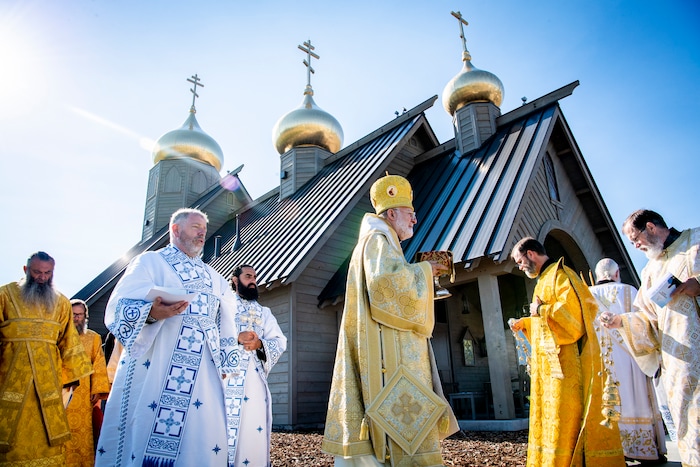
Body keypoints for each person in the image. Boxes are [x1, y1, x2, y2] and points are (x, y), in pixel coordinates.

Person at [322, 174, 459, 466]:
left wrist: (423, 276)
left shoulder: (382, 241)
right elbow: (385, 286)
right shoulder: (378, 239)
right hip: (387, 361)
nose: (415, 220)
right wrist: (424, 270)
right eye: (410, 214)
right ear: (392, 213)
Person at [95, 208, 240, 467]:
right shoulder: (150, 262)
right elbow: (118, 306)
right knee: (147, 432)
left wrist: (226, 361)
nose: (202, 233)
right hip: (158, 363)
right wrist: (151, 312)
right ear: (175, 230)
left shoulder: (215, 278)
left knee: (200, 437)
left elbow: (228, 320)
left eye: (203, 230)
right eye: (196, 227)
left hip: (203, 372)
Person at [508, 238, 624, 467]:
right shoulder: (544, 279)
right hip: (550, 368)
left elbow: (574, 320)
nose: (520, 266)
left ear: (531, 254)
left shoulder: (561, 275)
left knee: (565, 419)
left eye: (520, 261)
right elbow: (544, 324)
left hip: (567, 367)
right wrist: (526, 324)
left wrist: (541, 309)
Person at [601, 209, 700, 467]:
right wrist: (621, 321)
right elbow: (645, 318)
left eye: (635, 239)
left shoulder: (696, 243)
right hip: (678, 365)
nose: (635, 246)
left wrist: (698, 285)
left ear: (650, 227)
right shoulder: (649, 272)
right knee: (691, 429)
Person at [0, 252, 93, 465]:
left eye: (47, 273)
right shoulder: (4, 295)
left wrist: (71, 379)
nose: (42, 277)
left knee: (46, 433)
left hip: (48, 383)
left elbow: (68, 341)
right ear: (26, 271)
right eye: (37, 272)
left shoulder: (60, 302)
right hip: (8, 379)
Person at [589, 259, 667, 465]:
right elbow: (645, 323)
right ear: (616, 274)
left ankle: (615, 448)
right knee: (637, 398)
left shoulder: (587, 294)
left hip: (601, 360)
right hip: (632, 358)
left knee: (609, 403)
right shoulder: (629, 290)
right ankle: (644, 449)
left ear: (598, 275)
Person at [225, 265, 287, 466]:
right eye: (248, 276)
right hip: (226, 379)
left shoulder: (264, 312)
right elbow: (211, 336)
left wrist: (260, 344)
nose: (253, 280)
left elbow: (279, 341)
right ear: (235, 280)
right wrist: (236, 338)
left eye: (255, 277)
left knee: (253, 429)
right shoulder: (223, 306)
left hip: (255, 382)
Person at [64, 299, 111, 466]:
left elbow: (98, 363)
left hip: (83, 394)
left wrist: (96, 391)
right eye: (73, 314)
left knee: (81, 433)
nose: (76, 318)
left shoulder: (93, 338)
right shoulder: (57, 335)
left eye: (79, 315)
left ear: (85, 316)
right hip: (60, 393)